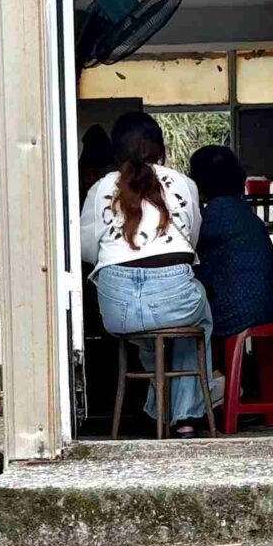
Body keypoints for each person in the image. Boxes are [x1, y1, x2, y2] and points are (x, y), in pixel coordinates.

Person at [79, 111, 215, 434]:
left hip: (119, 309)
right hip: (174, 298)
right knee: (197, 321)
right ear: (160, 148)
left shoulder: (101, 188)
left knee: (149, 335)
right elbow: (192, 240)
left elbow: (86, 250)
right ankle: (184, 417)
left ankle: (160, 408)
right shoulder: (183, 184)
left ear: (116, 152)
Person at [186, 145, 273, 344]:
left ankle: (192, 365)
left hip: (235, 315)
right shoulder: (241, 211)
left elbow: (189, 248)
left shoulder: (217, 212)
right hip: (263, 310)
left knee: (179, 318)